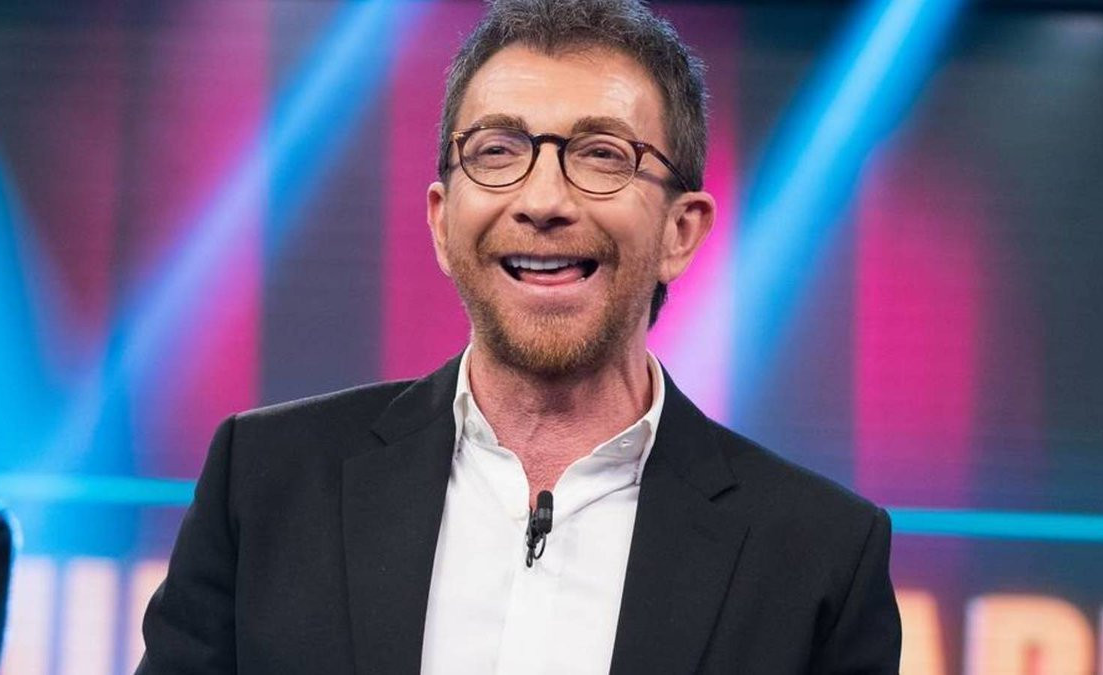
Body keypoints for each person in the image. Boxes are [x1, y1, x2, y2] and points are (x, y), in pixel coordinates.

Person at [138, 0, 901, 672]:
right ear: (443, 221)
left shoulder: (820, 556)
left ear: (681, 230)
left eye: (602, 155)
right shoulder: (265, 482)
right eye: (497, 151)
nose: (542, 200)